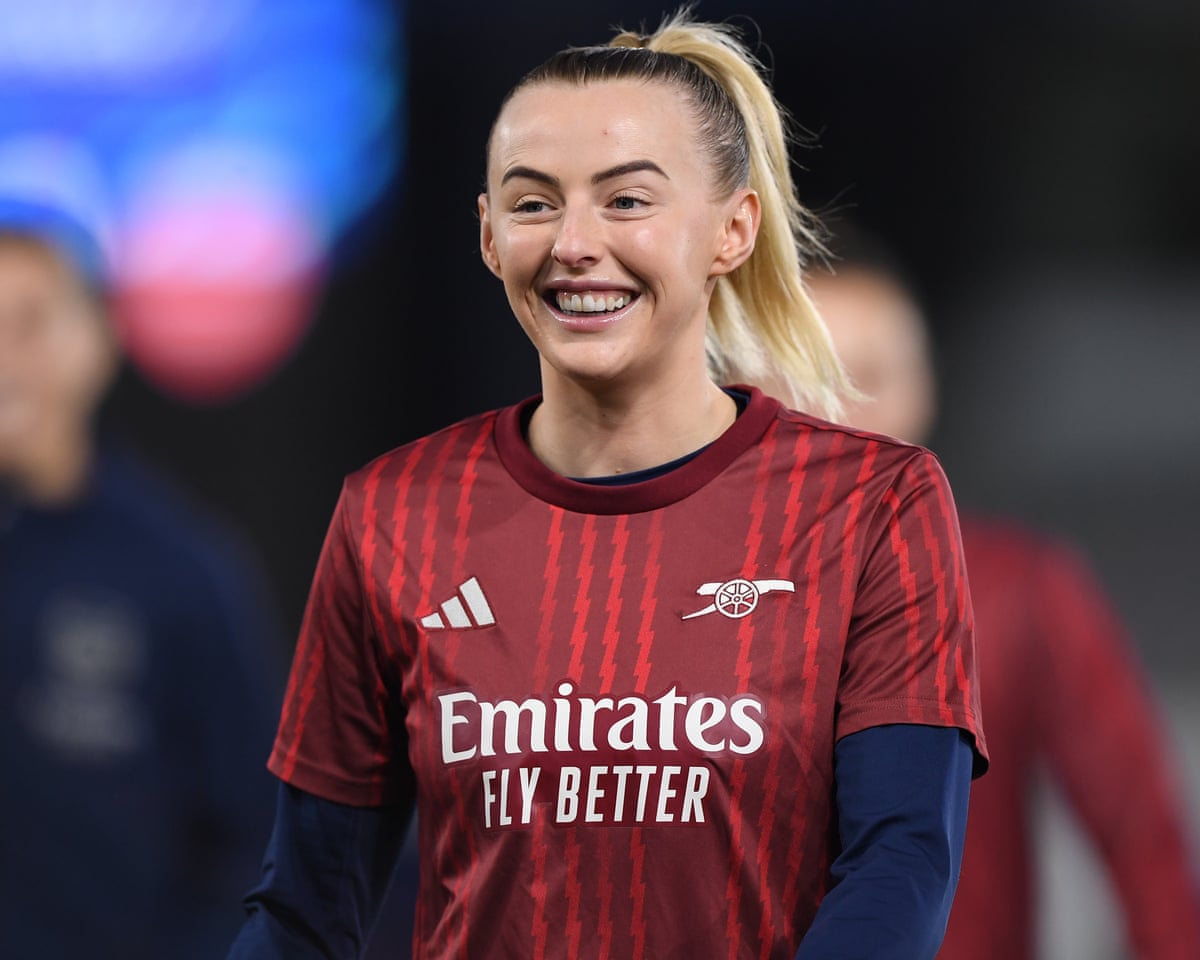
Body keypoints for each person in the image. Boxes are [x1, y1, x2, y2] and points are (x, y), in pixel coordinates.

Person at [228, 12, 987, 959]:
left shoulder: (873, 503)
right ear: (488, 235)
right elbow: (304, 910)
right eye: (533, 203)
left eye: (627, 200)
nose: (574, 243)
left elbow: (899, 864)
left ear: (732, 230)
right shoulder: (393, 513)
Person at [804, 231, 1200, 960]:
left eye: (867, 377)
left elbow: (1143, 840)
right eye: (800, 378)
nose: (838, 413)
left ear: (923, 386)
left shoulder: (1021, 590)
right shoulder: (687, 595)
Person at [0, 198, 285, 959]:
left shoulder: (179, 571)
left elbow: (260, 842)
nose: (4, 359)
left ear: (97, 341)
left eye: (29, 324)